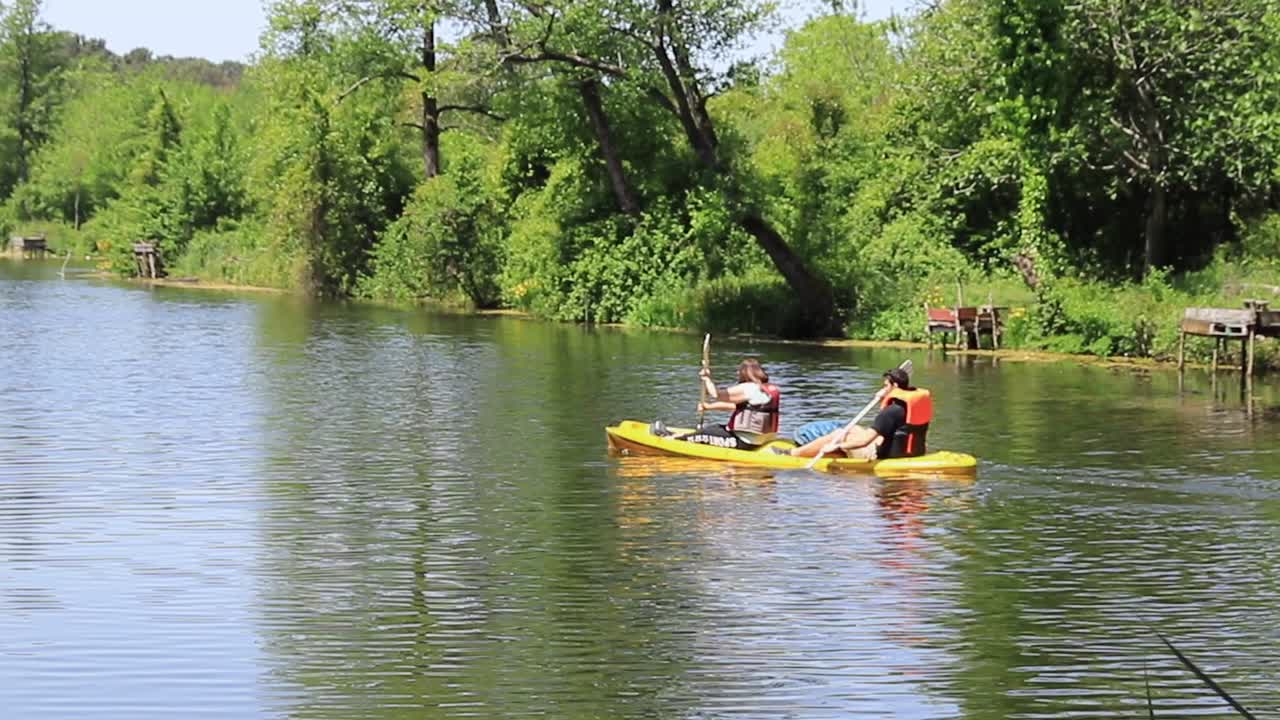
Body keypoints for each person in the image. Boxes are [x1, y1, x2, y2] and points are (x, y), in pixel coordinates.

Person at [783, 368, 932, 460]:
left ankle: (794, 453)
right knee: (853, 428)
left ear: (895, 386)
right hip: (909, 451)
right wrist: (884, 397)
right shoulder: (912, 405)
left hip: (882, 456)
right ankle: (822, 449)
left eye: (885, 386)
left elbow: (864, 443)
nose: (883, 388)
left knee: (840, 433)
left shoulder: (890, 412)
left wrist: (837, 446)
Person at [650, 358, 780, 449]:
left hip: (746, 441)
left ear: (744, 373)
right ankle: (674, 434)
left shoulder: (748, 388)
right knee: (714, 428)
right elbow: (736, 407)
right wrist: (709, 407)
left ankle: (669, 439)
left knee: (703, 433)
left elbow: (716, 394)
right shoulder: (768, 389)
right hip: (764, 438)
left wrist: (706, 379)